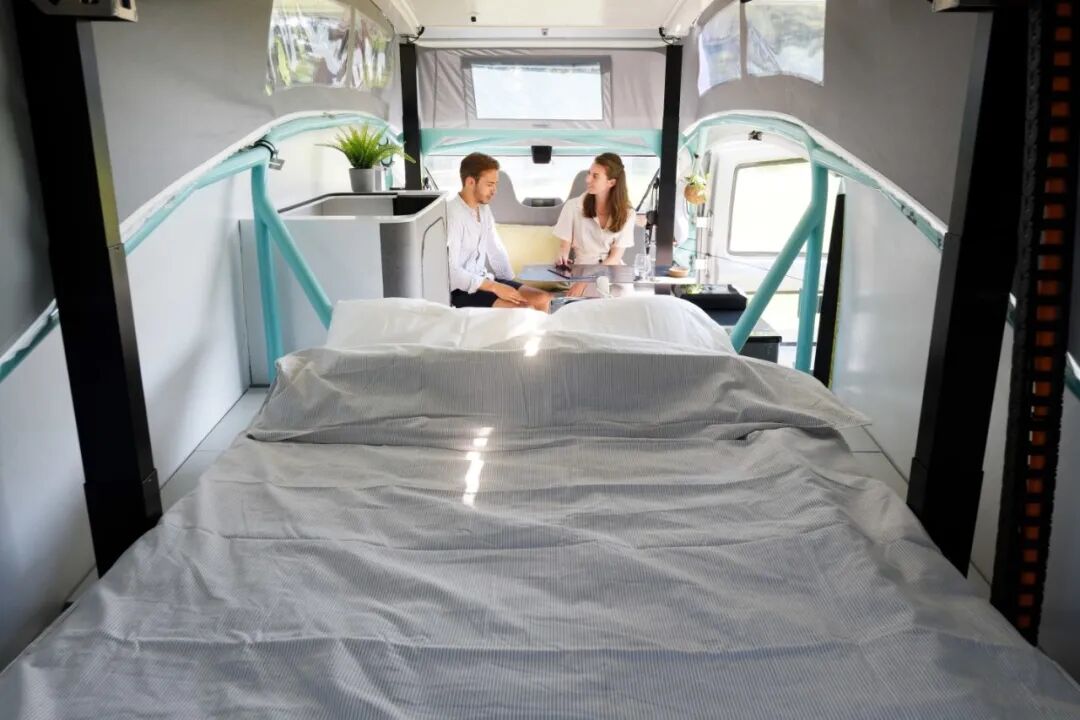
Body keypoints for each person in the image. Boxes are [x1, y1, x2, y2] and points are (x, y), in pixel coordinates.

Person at [446, 153, 551, 311]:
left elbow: (495, 249)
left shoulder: (484, 210)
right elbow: (452, 273)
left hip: (484, 280)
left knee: (543, 298)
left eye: (495, 184)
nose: (494, 190)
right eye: (490, 184)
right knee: (525, 309)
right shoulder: (453, 215)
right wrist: (496, 287)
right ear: (470, 182)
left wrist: (509, 284)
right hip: (461, 290)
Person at [553, 152, 636, 267]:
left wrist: (594, 275)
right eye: (589, 173)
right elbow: (564, 247)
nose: (587, 179)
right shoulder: (572, 207)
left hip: (612, 270)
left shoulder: (628, 213)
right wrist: (562, 258)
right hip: (583, 270)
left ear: (611, 182)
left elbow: (615, 257)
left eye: (595, 176)